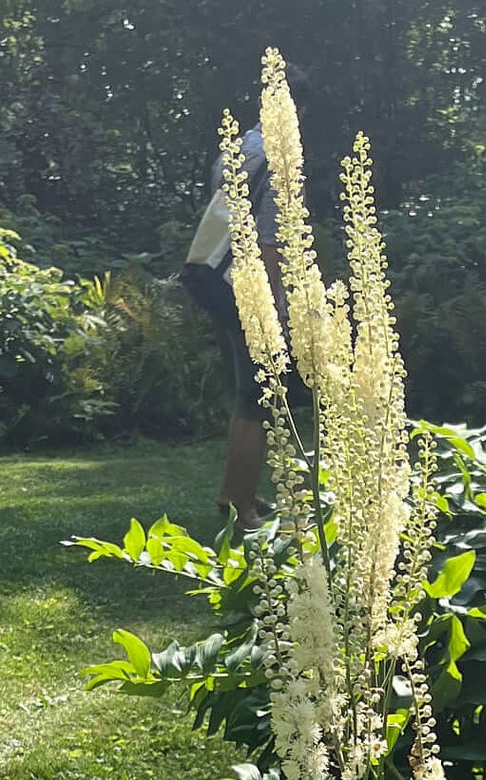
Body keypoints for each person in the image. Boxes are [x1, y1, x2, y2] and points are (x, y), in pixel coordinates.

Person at [180, 66, 309, 527]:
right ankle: (244, 509)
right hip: (247, 290)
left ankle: (232, 493)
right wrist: (273, 308)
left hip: (213, 281)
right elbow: (269, 242)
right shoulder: (278, 159)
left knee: (245, 394)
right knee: (261, 400)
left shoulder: (236, 148)